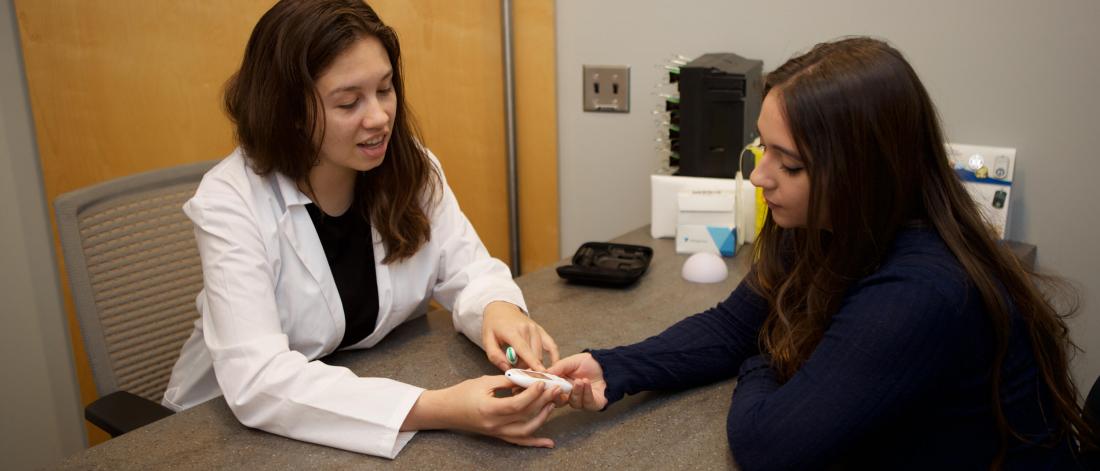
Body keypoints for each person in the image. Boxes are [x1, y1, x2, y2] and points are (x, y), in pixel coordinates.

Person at [549, 37, 1097, 469]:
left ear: (862, 174)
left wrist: (765, 353)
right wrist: (611, 366)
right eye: (763, 148)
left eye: (789, 164)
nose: (759, 177)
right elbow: (732, 325)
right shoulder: (828, 223)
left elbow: (770, 445)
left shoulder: (922, 293)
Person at [162, 0, 561, 458]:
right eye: (349, 102)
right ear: (288, 110)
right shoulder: (231, 202)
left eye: (385, 90)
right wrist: (439, 408)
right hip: (219, 435)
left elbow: (469, 270)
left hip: (347, 400)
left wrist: (499, 310)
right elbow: (259, 380)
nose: (378, 118)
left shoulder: (410, 168)